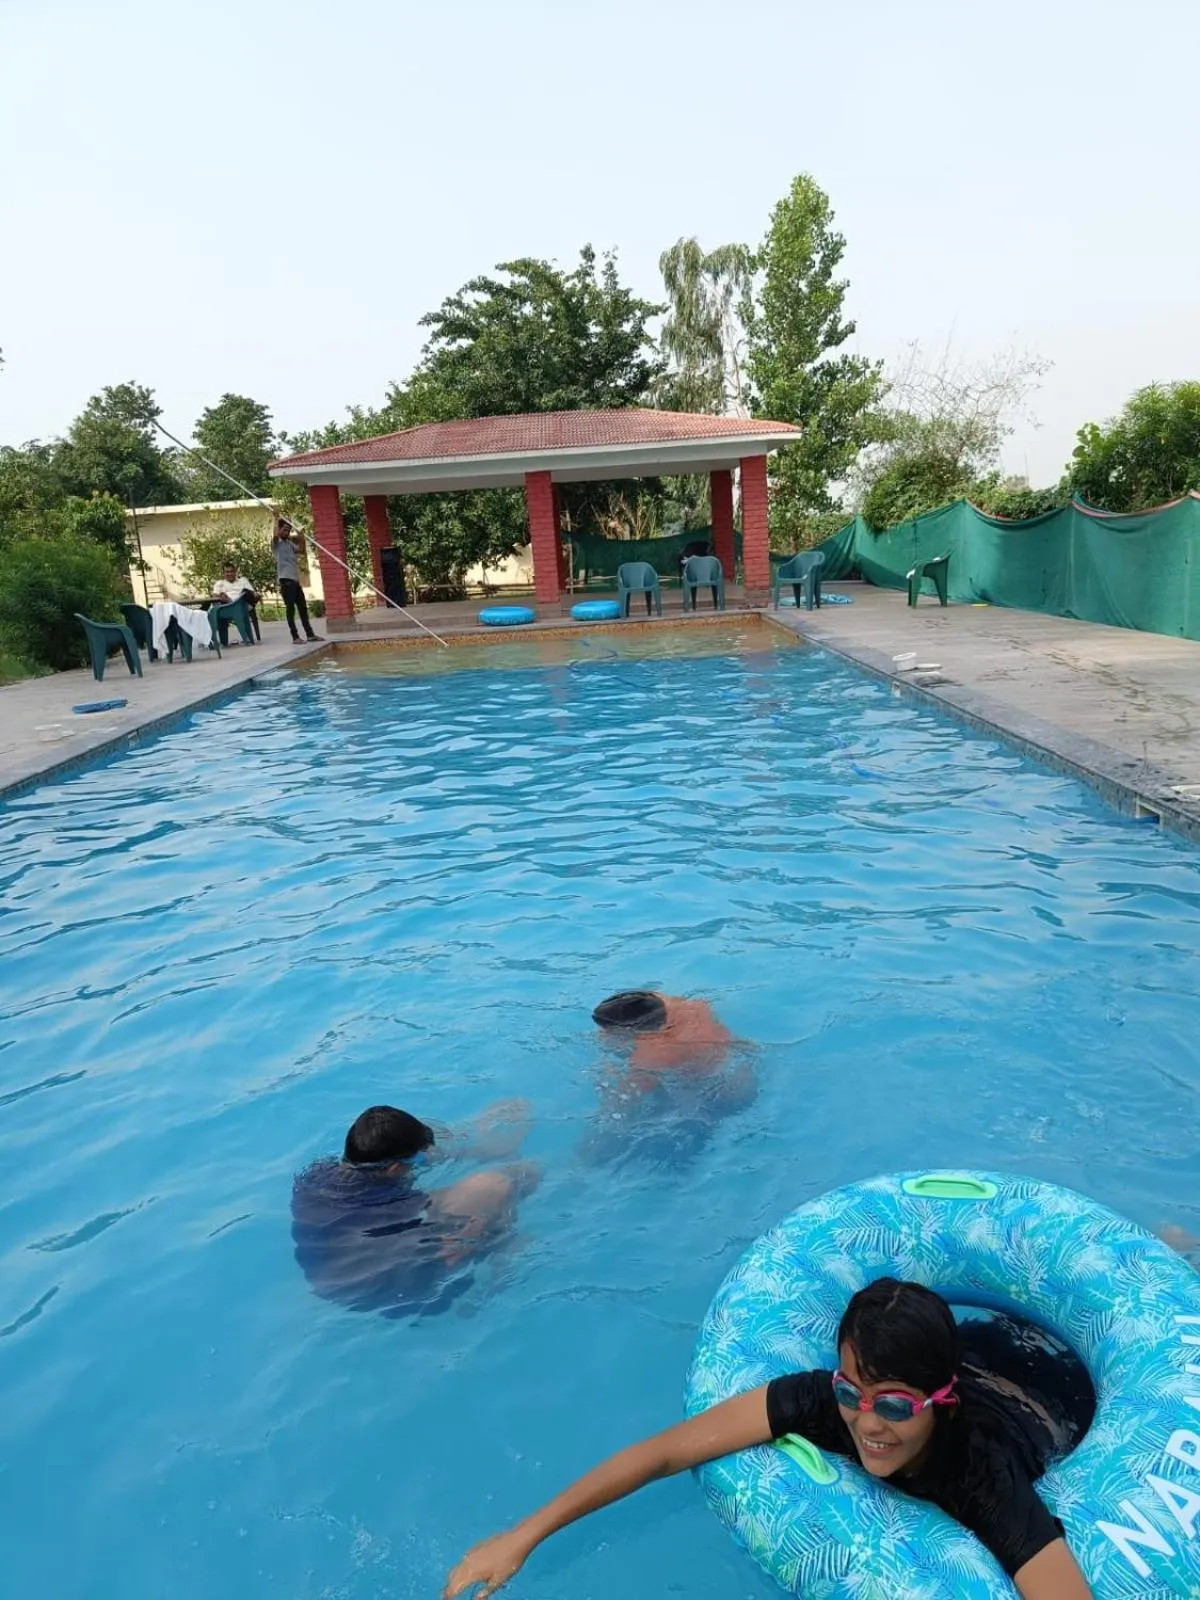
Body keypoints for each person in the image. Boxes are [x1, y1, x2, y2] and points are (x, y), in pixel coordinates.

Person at [444, 1278, 1093, 1600]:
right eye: (852, 1391)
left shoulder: (980, 1474)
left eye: (893, 1407)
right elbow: (664, 1452)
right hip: (968, 1355)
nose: (867, 1423)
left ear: (936, 1404)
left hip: (1047, 1397)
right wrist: (522, 1535)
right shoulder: (819, 1402)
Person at [292, 1100, 537, 1318]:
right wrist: (471, 1234)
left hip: (324, 1280)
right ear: (393, 1169)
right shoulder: (394, 1206)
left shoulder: (315, 1175)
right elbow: (448, 1252)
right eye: (417, 1161)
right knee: (501, 1187)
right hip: (392, 1295)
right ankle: (496, 1277)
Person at [272, 518, 320, 643]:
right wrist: (275, 518)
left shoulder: (289, 543)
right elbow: (275, 535)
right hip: (286, 581)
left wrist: (301, 536)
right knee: (290, 609)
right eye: (284, 530)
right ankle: (295, 637)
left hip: (295, 581)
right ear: (279, 529)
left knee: (303, 608)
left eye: (288, 530)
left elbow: (302, 550)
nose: (287, 532)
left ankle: (310, 635)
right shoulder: (276, 544)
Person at [210, 560, 260, 643]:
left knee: (246, 593)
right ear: (223, 573)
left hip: (242, 605)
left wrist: (255, 595)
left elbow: (252, 594)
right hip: (226, 607)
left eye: (231, 571)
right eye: (227, 572)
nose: (229, 574)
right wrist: (222, 597)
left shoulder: (243, 580)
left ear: (235, 572)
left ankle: (232, 601)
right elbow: (214, 596)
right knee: (217, 604)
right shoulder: (220, 583)